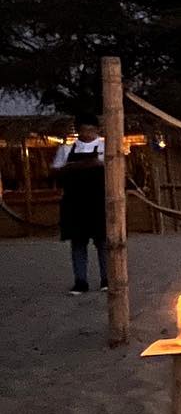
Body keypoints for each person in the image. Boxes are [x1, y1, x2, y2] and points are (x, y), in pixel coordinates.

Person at [53, 114, 109, 294]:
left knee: (103, 243)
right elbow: (56, 171)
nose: (87, 133)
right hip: (75, 202)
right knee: (78, 243)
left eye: (91, 130)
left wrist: (95, 164)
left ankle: (107, 279)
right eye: (84, 130)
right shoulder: (66, 150)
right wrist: (81, 166)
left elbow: (113, 168)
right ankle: (80, 281)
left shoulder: (105, 147)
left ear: (97, 130)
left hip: (99, 201)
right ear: (78, 131)